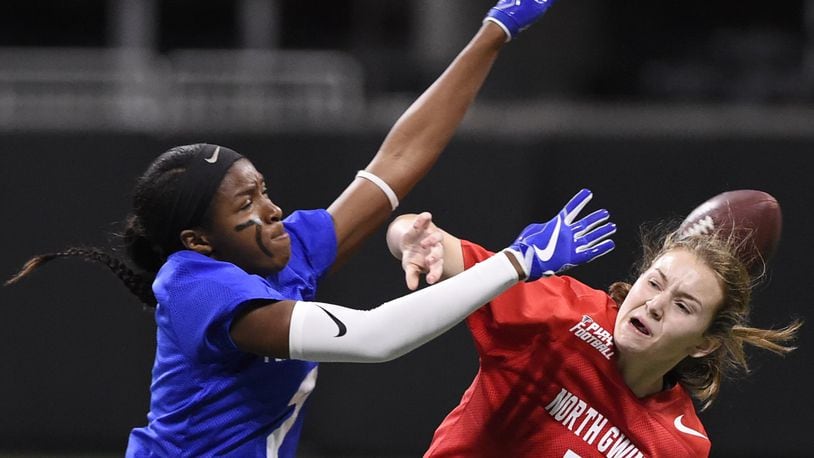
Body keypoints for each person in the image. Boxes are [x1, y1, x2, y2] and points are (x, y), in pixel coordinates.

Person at [4, 1, 573, 456]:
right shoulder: (199, 285)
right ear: (198, 241)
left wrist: (494, 31)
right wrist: (515, 263)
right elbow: (377, 339)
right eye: (246, 202)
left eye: (264, 189)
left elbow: (393, 165)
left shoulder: (280, 251)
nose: (273, 209)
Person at [387, 194, 802, 457]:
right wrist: (410, 238)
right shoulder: (559, 315)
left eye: (683, 306)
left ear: (704, 343)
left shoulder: (681, 445)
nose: (655, 305)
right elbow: (420, 236)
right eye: (654, 283)